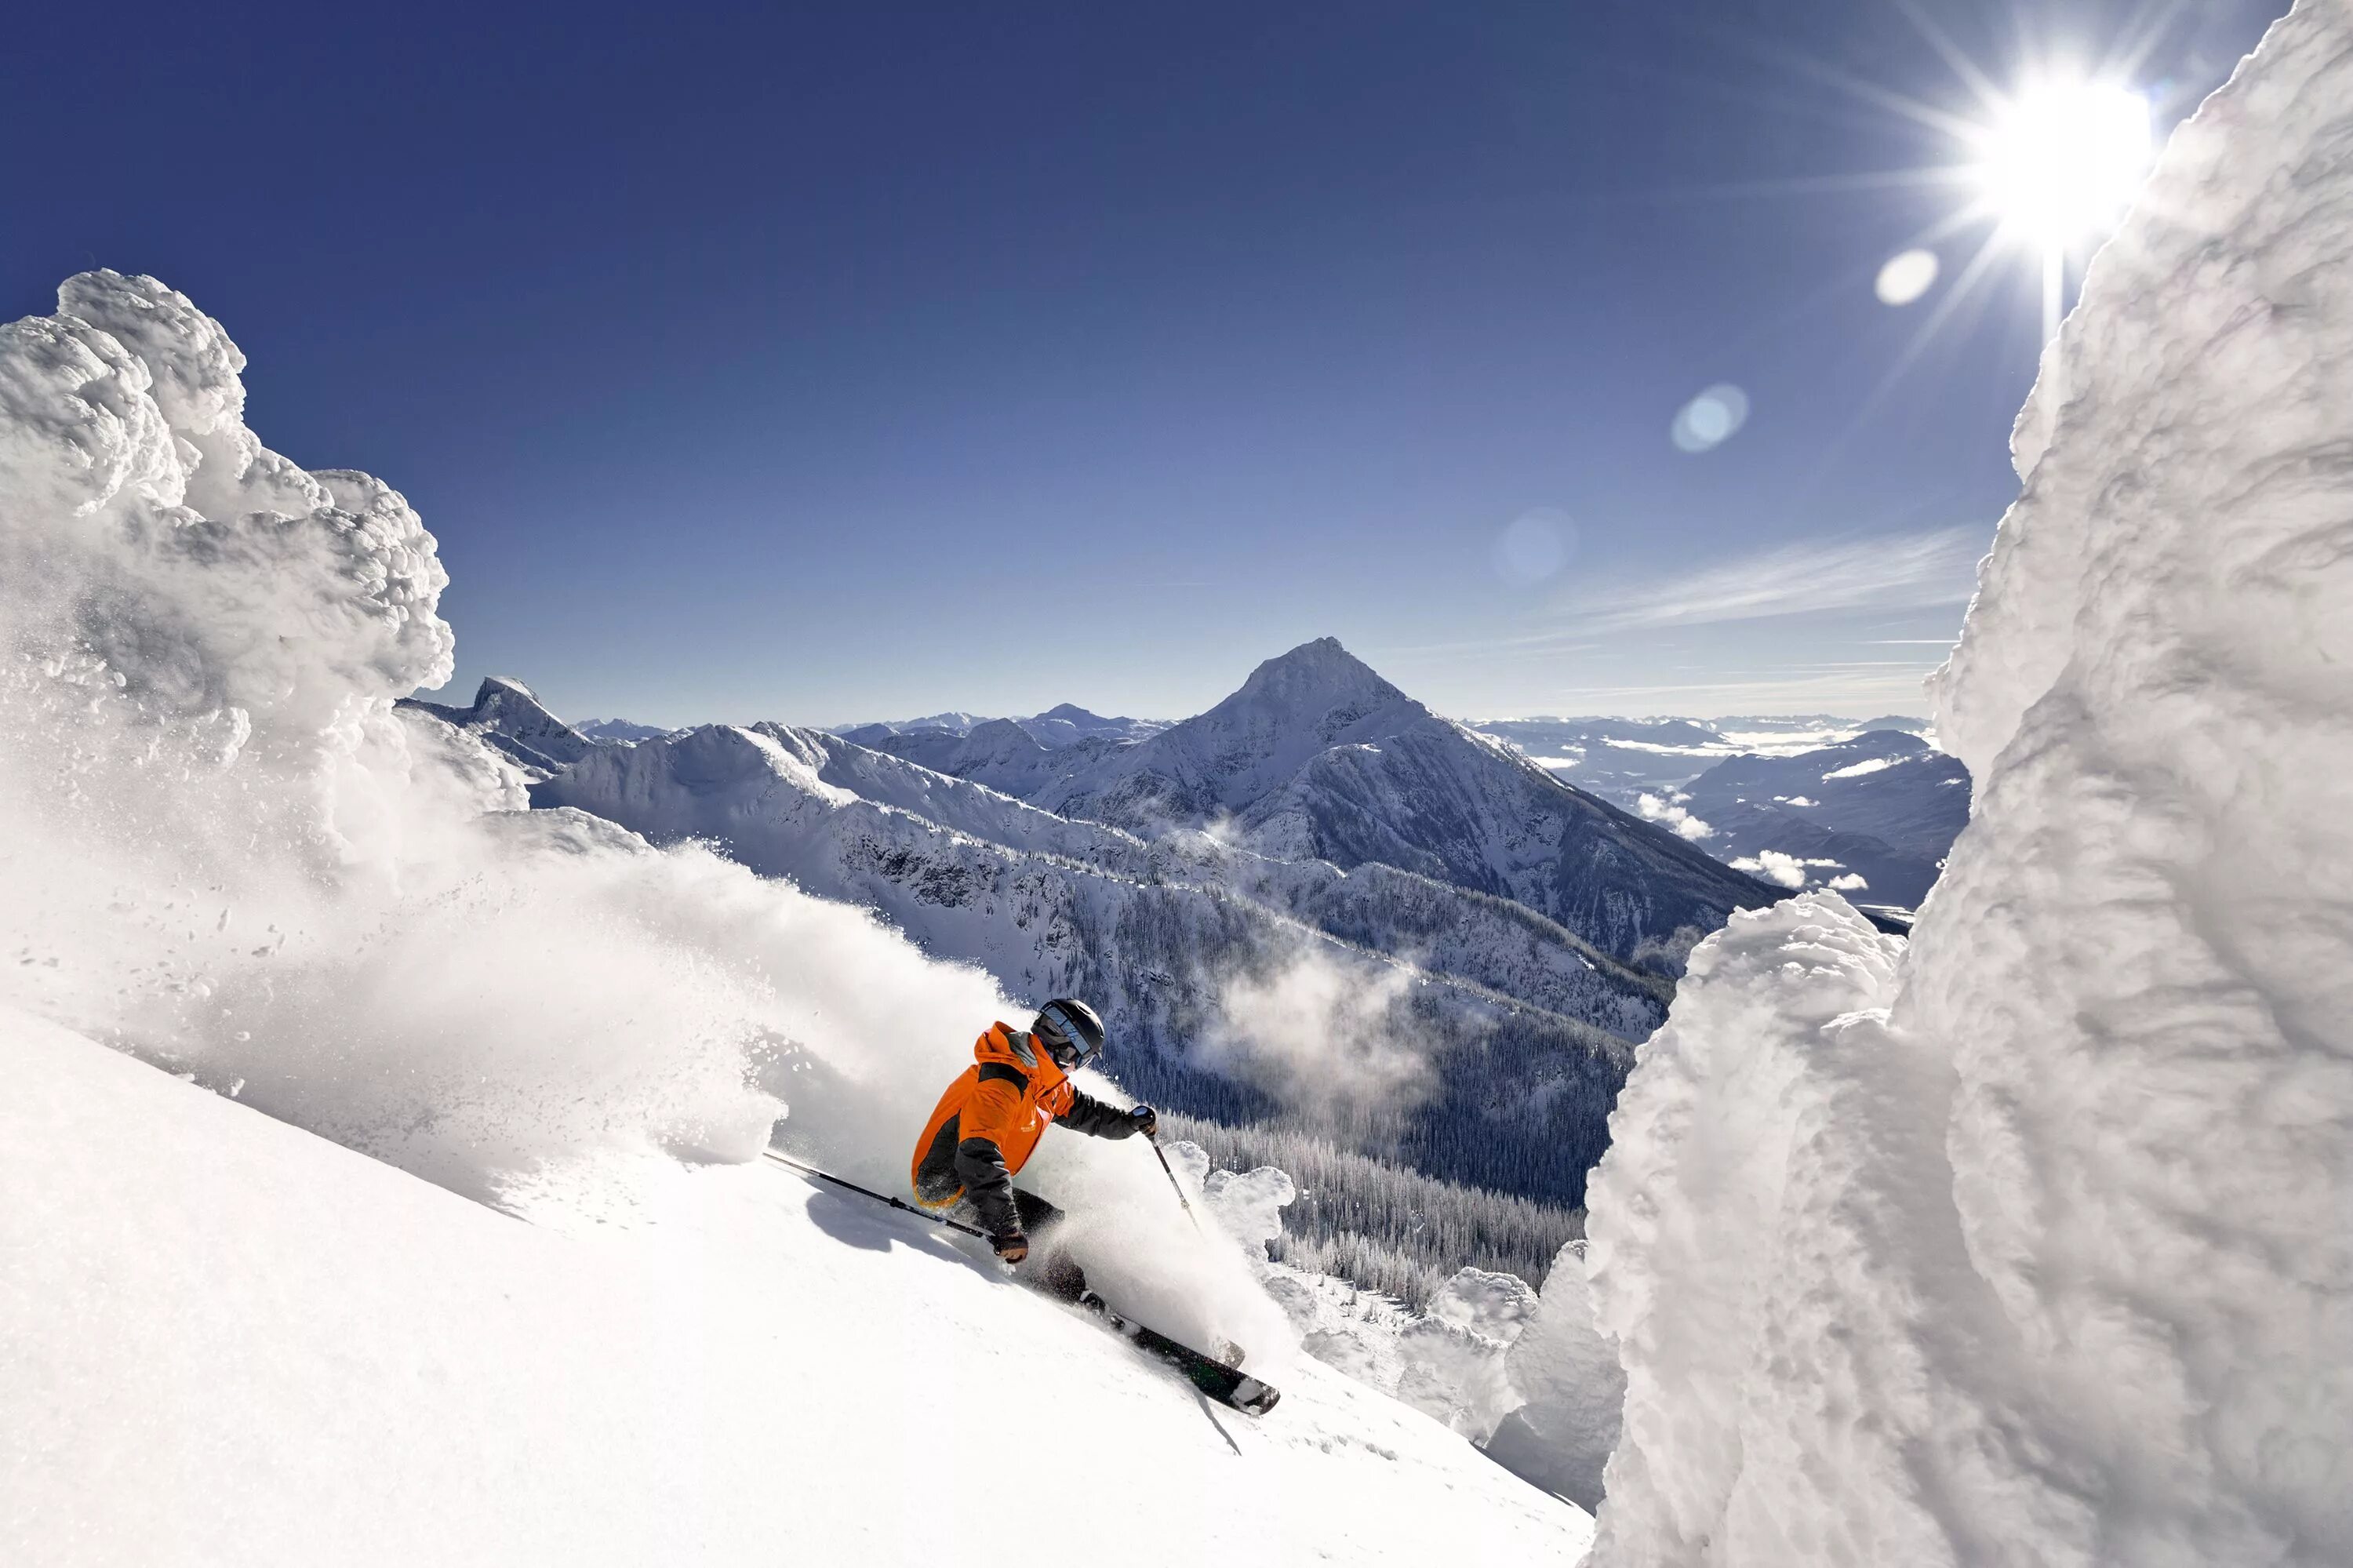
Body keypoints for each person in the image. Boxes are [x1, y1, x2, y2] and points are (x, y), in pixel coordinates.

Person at [908, 998, 1156, 1300]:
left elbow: (1084, 1111)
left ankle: (1065, 1285)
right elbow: (977, 1154)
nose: (1079, 1067)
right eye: (1084, 1059)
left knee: (1046, 1219)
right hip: (945, 1187)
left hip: (969, 1179)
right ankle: (1070, 1295)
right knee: (1043, 1220)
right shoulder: (1003, 1081)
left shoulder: (1042, 1081)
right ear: (1068, 1051)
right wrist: (1007, 1227)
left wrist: (1129, 1123)